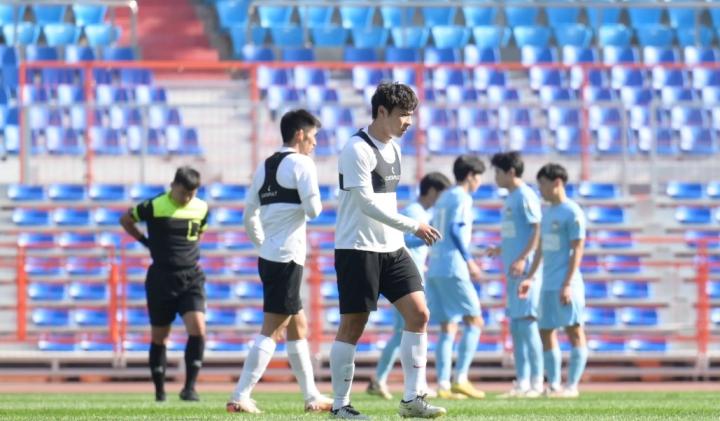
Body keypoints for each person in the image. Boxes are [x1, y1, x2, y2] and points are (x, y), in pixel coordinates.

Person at [330, 82, 446, 419]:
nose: (409, 122)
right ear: (382, 112)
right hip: (358, 248)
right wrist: (413, 225)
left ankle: (412, 399)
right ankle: (340, 406)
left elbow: (385, 202)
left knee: (419, 314)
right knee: (353, 326)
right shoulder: (356, 148)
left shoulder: (394, 148)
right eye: (403, 115)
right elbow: (366, 204)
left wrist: (402, 233)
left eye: (411, 115)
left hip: (392, 248)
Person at [226, 109, 333, 414]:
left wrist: (262, 243)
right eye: (313, 136)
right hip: (288, 257)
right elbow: (314, 211)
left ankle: (312, 396)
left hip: (270, 256)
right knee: (273, 329)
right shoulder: (302, 163)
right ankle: (240, 395)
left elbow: (249, 215)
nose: (315, 143)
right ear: (300, 134)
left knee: (299, 325)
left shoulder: (265, 165)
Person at [119, 166, 210, 402]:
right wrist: (145, 241)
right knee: (160, 336)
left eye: (191, 194)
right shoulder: (154, 205)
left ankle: (189, 388)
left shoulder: (201, 207)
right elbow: (126, 219)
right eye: (183, 193)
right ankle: (160, 392)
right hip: (161, 278)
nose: (187, 198)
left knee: (198, 328)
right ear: (173, 186)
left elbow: (199, 233)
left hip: (191, 276)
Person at [366, 172, 452, 400]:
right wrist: (425, 239)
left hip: (411, 279)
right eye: (442, 194)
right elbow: (400, 239)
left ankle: (383, 380)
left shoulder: (422, 212)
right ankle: (407, 383)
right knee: (407, 331)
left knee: (406, 331)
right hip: (404, 281)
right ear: (432, 191)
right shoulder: (415, 212)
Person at [519, 163, 588, 398]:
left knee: (574, 331)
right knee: (546, 331)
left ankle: (572, 386)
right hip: (547, 284)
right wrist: (530, 277)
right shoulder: (547, 213)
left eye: (543, 185)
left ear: (557, 182)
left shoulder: (572, 212)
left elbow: (577, 249)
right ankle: (555, 385)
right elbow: (540, 249)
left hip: (567, 284)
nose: (540, 190)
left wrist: (567, 283)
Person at [426, 155, 487, 400]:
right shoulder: (462, 197)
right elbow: (454, 229)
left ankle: (443, 384)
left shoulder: (444, 197)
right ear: (471, 176)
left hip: (436, 265)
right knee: (475, 320)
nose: (480, 182)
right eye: (479, 177)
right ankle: (460, 378)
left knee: (447, 326)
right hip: (453, 266)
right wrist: (470, 261)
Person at [487, 151, 544, 398]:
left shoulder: (525, 195)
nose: (495, 177)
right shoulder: (510, 198)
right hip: (511, 272)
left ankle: (537, 382)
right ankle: (522, 382)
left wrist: (522, 258)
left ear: (511, 172)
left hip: (526, 271)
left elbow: (537, 230)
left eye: (498, 172)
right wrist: (501, 249)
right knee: (517, 329)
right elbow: (518, 234)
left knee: (528, 327)